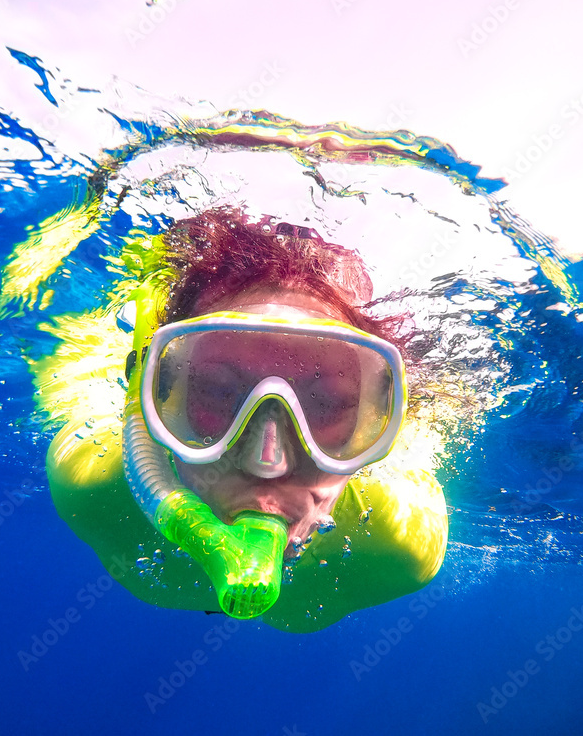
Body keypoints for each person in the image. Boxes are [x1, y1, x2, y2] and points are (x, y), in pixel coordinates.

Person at [47, 208, 448, 632]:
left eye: (325, 403)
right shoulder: (90, 482)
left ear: (377, 419)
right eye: (219, 392)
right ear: (159, 394)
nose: (266, 462)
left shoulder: (401, 542)